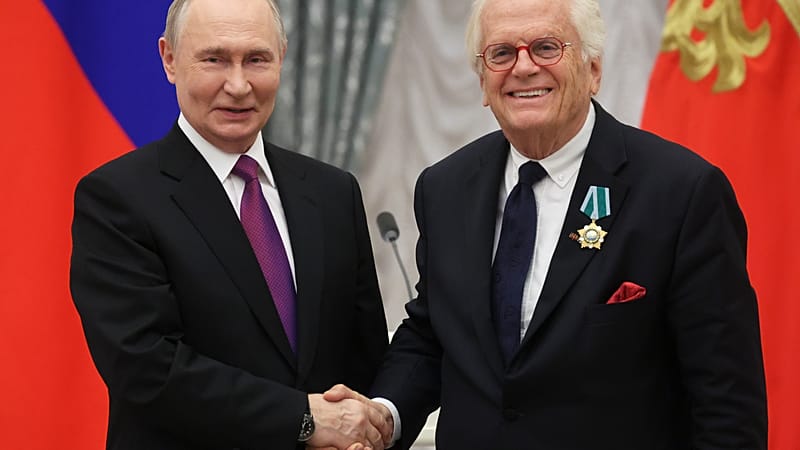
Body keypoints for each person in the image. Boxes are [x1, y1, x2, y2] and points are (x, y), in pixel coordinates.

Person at [327, 0, 768, 448]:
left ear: (593, 69)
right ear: (482, 82)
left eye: (546, 47)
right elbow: (433, 333)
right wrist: (384, 415)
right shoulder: (444, 188)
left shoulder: (681, 192)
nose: (523, 68)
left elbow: (727, 405)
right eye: (501, 53)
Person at [69, 0, 392, 449]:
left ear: (282, 58)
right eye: (214, 59)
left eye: (256, 59)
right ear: (169, 59)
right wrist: (302, 419)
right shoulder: (117, 198)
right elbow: (146, 369)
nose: (238, 85)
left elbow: (365, 355)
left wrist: (369, 424)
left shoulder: (333, 192)